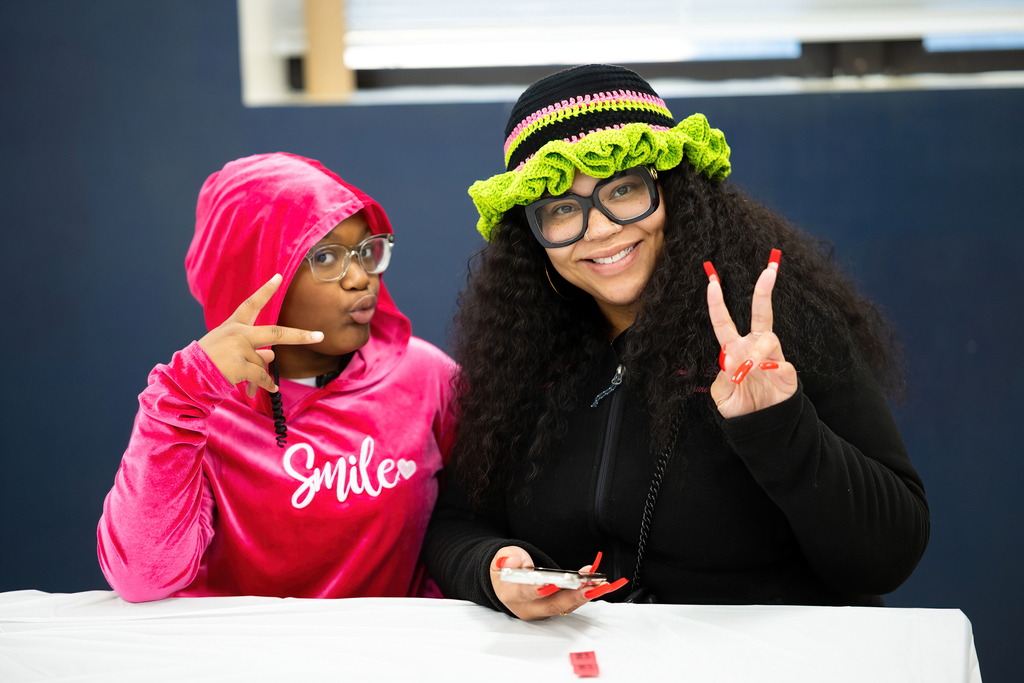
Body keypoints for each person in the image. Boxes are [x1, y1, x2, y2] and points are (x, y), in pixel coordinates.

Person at [422, 64, 929, 620]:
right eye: (563, 209)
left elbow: (889, 555)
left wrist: (780, 427)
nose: (600, 229)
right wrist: (496, 568)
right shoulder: (521, 360)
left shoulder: (772, 331)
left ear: (674, 193)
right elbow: (457, 525)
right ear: (533, 236)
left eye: (623, 190)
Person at [98, 153, 457, 602]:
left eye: (367, 250)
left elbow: (473, 526)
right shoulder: (198, 408)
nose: (362, 278)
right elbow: (142, 579)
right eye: (326, 257)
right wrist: (180, 397)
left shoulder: (427, 379)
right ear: (255, 275)